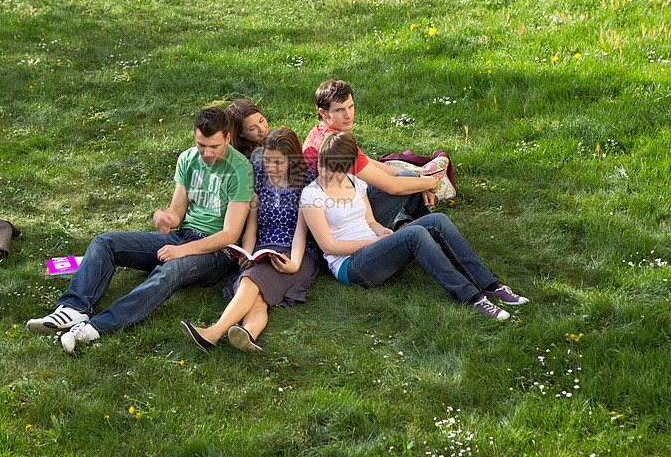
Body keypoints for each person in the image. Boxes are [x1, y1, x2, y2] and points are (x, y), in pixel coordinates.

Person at [27, 107, 254, 352]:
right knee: (105, 242)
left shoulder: (240, 169)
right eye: (201, 145)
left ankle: (96, 327)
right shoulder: (188, 159)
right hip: (182, 236)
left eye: (214, 147)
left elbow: (230, 234)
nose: (206, 153)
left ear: (227, 138)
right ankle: (73, 309)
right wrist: (167, 218)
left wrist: (182, 251)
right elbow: (177, 211)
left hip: (217, 252)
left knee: (170, 271)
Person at [300, 132, 528, 320]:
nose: (326, 172)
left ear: (349, 167)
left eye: (335, 168)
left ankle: (490, 285)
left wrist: (382, 232)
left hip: (374, 247)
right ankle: (471, 297)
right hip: (351, 266)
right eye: (323, 165)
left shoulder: (355, 182)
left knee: (437, 221)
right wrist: (375, 241)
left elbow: (369, 221)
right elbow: (329, 246)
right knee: (415, 234)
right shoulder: (312, 195)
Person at [180, 127, 320, 353]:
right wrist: (246, 253)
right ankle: (248, 335)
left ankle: (213, 333)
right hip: (264, 248)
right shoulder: (259, 176)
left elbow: (301, 232)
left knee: (250, 282)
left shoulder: (306, 182)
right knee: (258, 298)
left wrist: (294, 262)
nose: (271, 168)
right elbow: (252, 226)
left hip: (297, 252)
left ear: (292, 160)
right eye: (267, 161)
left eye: (278, 163)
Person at [302, 79, 438, 230]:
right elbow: (392, 187)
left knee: (409, 180)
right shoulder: (334, 147)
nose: (348, 115)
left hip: (342, 204)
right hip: (344, 223)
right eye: (340, 110)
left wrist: (418, 180)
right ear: (323, 112)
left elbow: (367, 161)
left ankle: (406, 222)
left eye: (351, 106)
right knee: (408, 183)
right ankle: (430, 226)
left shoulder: (322, 131)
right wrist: (430, 183)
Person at [225, 99, 269, 165]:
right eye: (252, 128)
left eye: (261, 120)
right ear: (240, 133)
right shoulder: (258, 155)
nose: (262, 129)